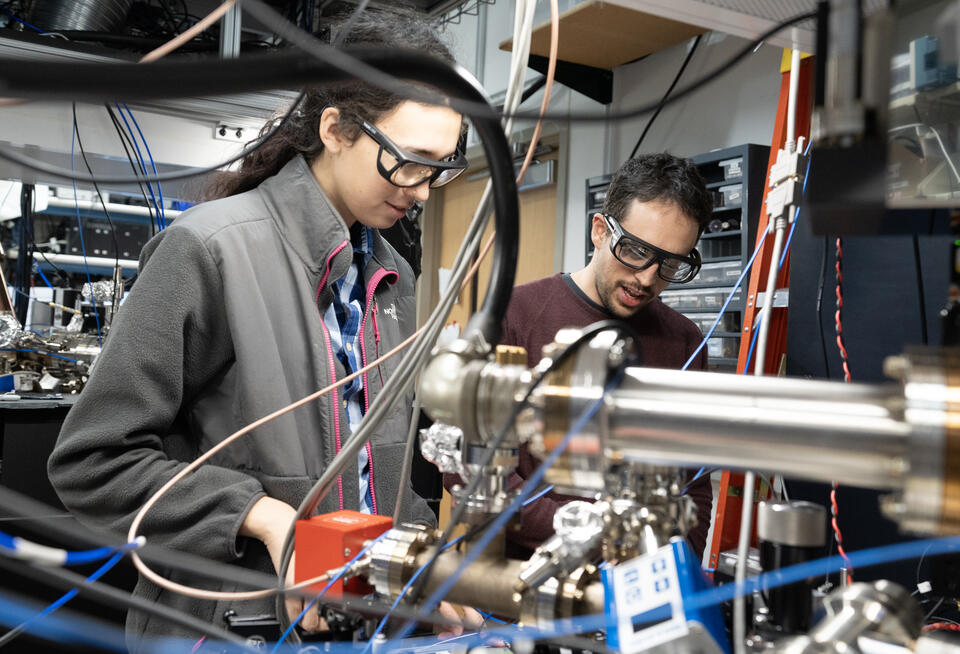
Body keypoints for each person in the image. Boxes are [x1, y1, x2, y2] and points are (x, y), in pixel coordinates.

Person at [47, 12, 467, 651]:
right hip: (224, 629)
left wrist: (426, 565)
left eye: (441, 167)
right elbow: (93, 462)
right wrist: (264, 517)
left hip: (356, 629)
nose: (425, 191)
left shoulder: (391, 277)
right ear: (336, 130)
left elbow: (379, 472)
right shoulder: (208, 249)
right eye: (408, 162)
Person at [497, 152, 715, 559]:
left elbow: (693, 486)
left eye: (670, 264)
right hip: (524, 583)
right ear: (600, 230)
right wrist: (596, 539)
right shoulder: (516, 314)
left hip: (639, 586)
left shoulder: (684, 340)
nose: (647, 277)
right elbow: (479, 473)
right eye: (635, 250)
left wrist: (673, 570)